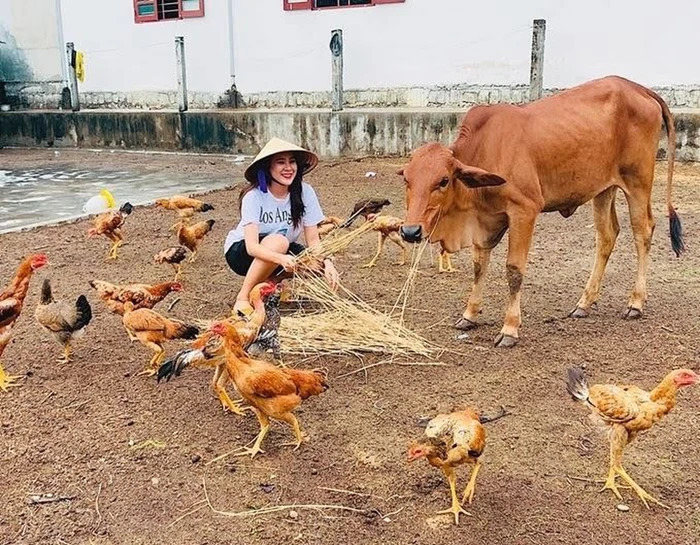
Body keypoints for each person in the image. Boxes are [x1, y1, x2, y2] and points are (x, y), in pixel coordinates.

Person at [224, 138, 340, 314]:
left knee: (315, 264)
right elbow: (252, 247)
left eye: (292, 161)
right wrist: (281, 259)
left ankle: (269, 285)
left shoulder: (305, 192)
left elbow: (314, 239)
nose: (288, 168)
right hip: (242, 252)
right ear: (267, 168)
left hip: (279, 250)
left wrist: (328, 263)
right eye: (280, 162)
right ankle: (243, 297)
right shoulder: (253, 196)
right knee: (279, 242)